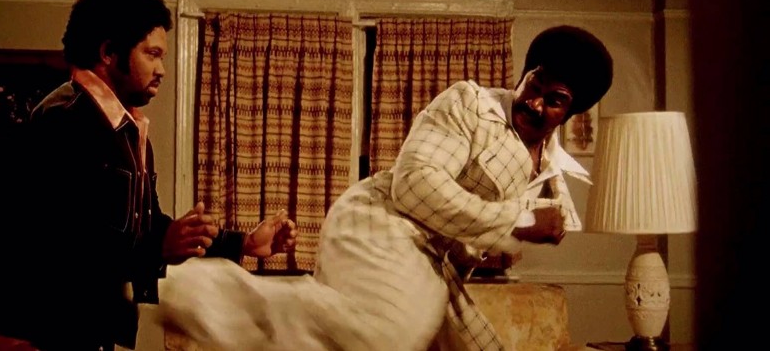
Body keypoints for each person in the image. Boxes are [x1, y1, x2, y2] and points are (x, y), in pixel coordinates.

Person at [157, 25, 614, 351]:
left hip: (431, 265)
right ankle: (194, 290)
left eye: (554, 100)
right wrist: (522, 220)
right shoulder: (470, 105)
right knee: (385, 334)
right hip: (382, 223)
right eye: (534, 83)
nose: (534, 102)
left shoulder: (550, 172)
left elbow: (474, 239)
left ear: (571, 113)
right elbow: (415, 187)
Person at [0, 0, 297, 351]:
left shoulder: (125, 129)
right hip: (27, 332)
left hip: (78, 330)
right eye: (152, 54)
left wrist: (243, 243)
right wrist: (158, 249)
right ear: (109, 53)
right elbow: (58, 249)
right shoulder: (63, 120)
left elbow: (149, 227)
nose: (162, 69)